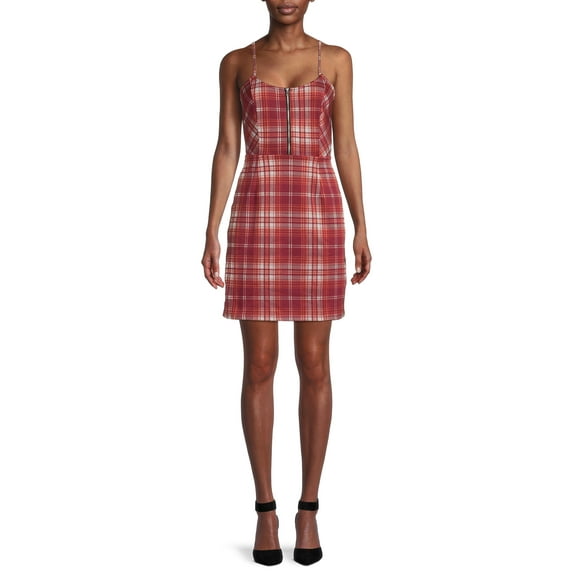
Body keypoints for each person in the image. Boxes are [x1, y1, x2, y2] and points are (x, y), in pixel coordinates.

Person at [201, 0, 371, 565]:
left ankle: (309, 509)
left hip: (318, 216)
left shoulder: (337, 59)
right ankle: (265, 511)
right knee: (258, 365)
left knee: (315, 364)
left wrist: (361, 226)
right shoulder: (236, 62)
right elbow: (228, 147)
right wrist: (211, 229)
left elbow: (346, 145)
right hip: (256, 215)